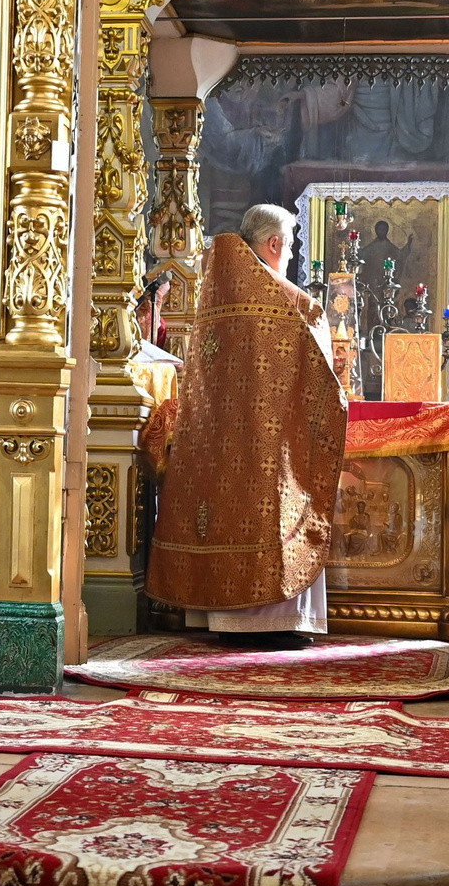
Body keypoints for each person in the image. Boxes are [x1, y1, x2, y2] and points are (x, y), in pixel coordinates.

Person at [144, 203, 348, 647]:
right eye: (290, 246)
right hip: (270, 446)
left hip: (217, 445)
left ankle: (222, 619)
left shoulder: (216, 292)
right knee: (273, 509)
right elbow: (323, 373)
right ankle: (275, 622)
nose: (290, 255)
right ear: (273, 244)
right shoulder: (296, 304)